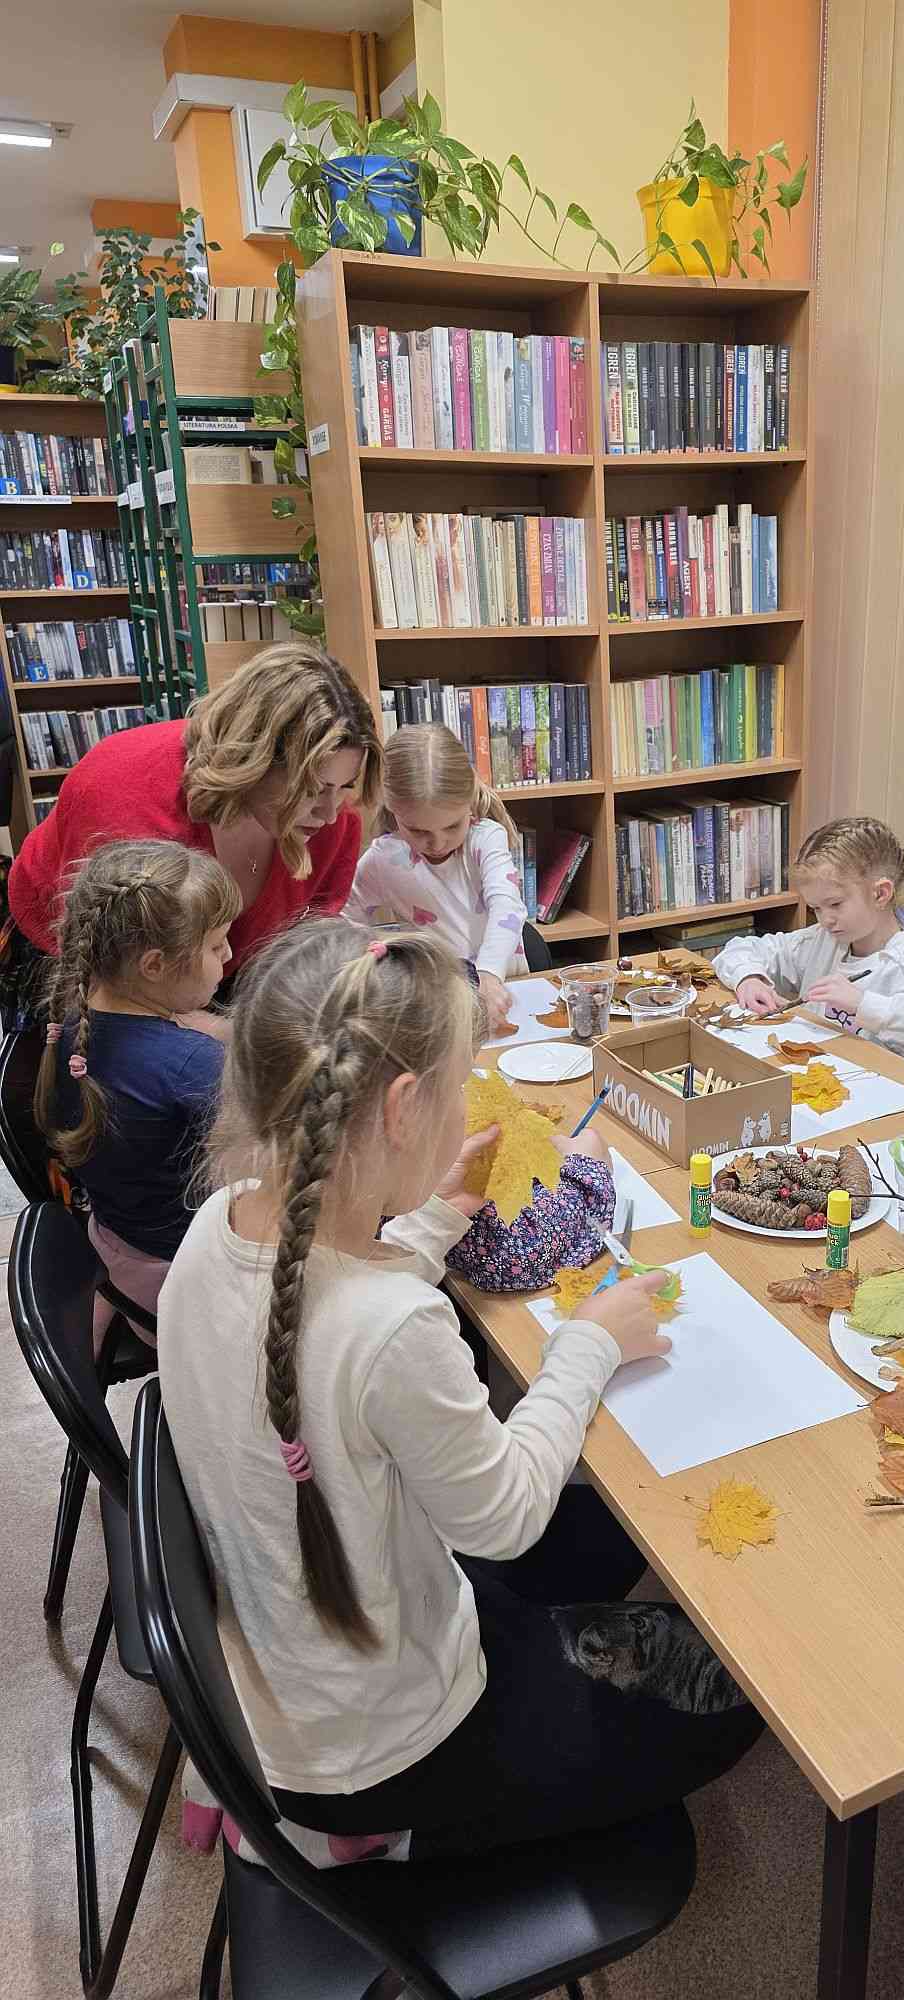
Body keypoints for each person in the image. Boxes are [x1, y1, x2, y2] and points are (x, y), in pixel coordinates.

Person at [158, 919, 761, 1858]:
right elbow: (503, 1519)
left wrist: (438, 1215)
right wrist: (588, 1345)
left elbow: (337, 1298)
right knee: (732, 1697)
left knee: (608, 1521)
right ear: (403, 1109)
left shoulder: (213, 1229)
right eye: (461, 1085)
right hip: (386, 1749)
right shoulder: (391, 1329)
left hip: (296, 1680)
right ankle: (402, 1847)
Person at [0, 643, 380, 1018]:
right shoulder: (124, 796)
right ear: (253, 759)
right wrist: (231, 1038)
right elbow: (119, 992)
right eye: (311, 789)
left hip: (210, 976)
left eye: (345, 787)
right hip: (97, 972)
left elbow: (296, 958)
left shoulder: (334, 823)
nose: (330, 813)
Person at [35, 839, 239, 1338]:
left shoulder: (71, 1030)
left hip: (119, 1253)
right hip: (187, 1293)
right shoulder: (192, 1065)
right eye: (216, 946)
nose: (229, 955)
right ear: (153, 965)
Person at [714, 813, 904, 1070]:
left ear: (880, 894)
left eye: (835, 904)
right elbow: (741, 949)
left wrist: (864, 1004)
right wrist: (748, 978)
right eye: (816, 908)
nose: (826, 919)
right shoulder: (824, 940)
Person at [345, 722, 526, 1031]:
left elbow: (507, 907)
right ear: (393, 809)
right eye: (418, 831)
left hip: (506, 985)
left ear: (469, 803)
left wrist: (489, 975)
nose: (438, 843)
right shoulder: (383, 858)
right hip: (436, 1001)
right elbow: (343, 918)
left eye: (453, 826)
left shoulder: (484, 839)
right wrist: (372, 955)